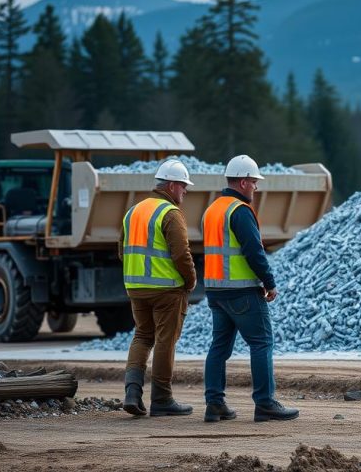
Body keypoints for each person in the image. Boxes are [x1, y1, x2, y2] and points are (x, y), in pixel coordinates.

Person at [201, 155, 299, 423]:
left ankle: (214, 404)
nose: (256, 187)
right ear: (243, 182)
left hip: (215, 291)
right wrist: (269, 282)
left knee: (219, 347)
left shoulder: (212, 210)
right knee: (262, 342)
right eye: (254, 182)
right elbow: (254, 251)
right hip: (242, 291)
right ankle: (265, 403)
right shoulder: (239, 211)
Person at [120, 159, 198, 417]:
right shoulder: (170, 213)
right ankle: (162, 398)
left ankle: (132, 392)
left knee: (142, 336)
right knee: (165, 340)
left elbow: (122, 250)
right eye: (184, 186)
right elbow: (181, 254)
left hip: (136, 287)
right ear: (173, 186)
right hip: (166, 290)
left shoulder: (133, 211)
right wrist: (190, 281)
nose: (185, 191)